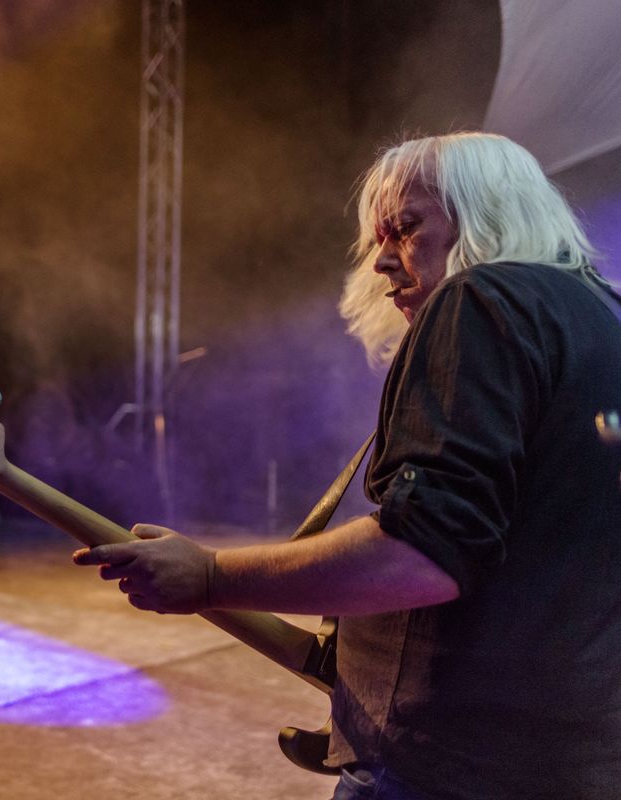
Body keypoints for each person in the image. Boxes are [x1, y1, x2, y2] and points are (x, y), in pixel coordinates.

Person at [72, 133, 621, 799]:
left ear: (485, 211)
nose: (382, 261)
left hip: (447, 765)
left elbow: (424, 553)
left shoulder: (478, 299)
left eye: (405, 228)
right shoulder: (604, 312)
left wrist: (211, 576)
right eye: (379, 238)